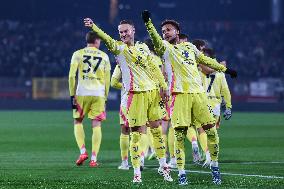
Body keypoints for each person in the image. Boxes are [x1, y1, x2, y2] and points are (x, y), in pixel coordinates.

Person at [141, 10, 237, 185]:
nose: (165, 33)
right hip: (179, 97)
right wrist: (148, 23)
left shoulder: (191, 47)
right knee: (178, 136)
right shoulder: (164, 48)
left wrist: (226, 70)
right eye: (163, 31)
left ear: (177, 31)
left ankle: (215, 167)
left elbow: (206, 61)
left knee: (212, 132)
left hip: (199, 96)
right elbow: (155, 38)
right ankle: (182, 172)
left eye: (168, 30)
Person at [84, 18, 172, 183]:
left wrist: (164, 85)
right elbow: (107, 38)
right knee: (136, 134)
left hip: (152, 93)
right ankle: (137, 173)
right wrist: (94, 27)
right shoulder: (119, 48)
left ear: (133, 30)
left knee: (157, 131)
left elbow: (153, 67)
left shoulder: (143, 47)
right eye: (121, 32)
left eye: (126, 31)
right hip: (135, 95)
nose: (123, 34)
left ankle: (163, 166)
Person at [68, 31, 111, 167]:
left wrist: (72, 94)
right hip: (98, 94)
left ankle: (82, 152)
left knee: (78, 121)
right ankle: (93, 159)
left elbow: (71, 76)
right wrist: (105, 97)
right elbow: (107, 80)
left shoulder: (78, 54)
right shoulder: (104, 56)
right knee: (96, 125)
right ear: (97, 41)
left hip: (82, 93)